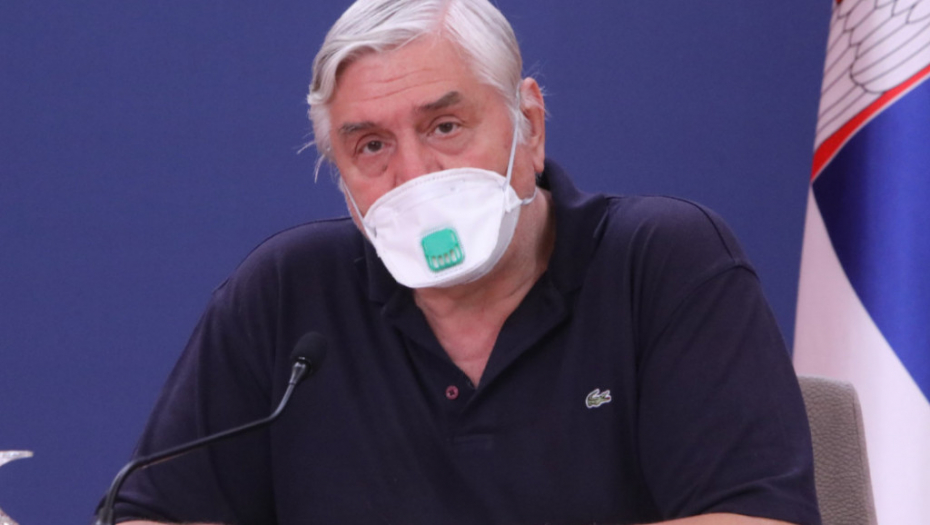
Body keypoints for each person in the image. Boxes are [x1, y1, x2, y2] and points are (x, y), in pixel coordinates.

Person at [111, 0, 820, 524]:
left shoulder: (663, 262)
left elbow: (755, 516)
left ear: (529, 127)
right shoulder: (287, 293)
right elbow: (154, 513)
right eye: (371, 146)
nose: (414, 174)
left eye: (445, 126)